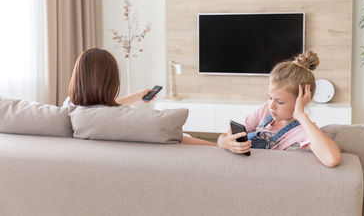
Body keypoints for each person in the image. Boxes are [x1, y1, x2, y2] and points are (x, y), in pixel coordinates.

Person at [65, 47, 214, 146]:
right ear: (111, 80)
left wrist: (137, 96)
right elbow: (171, 134)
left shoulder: (69, 108)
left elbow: (98, 106)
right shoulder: (122, 118)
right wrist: (218, 145)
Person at [216, 51, 342, 168]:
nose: (272, 105)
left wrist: (300, 114)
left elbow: (332, 159)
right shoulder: (265, 111)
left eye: (280, 102)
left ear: (300, 100)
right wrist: (226, 143)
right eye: (269, 98)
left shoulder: (301, 131)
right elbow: (223, 137)